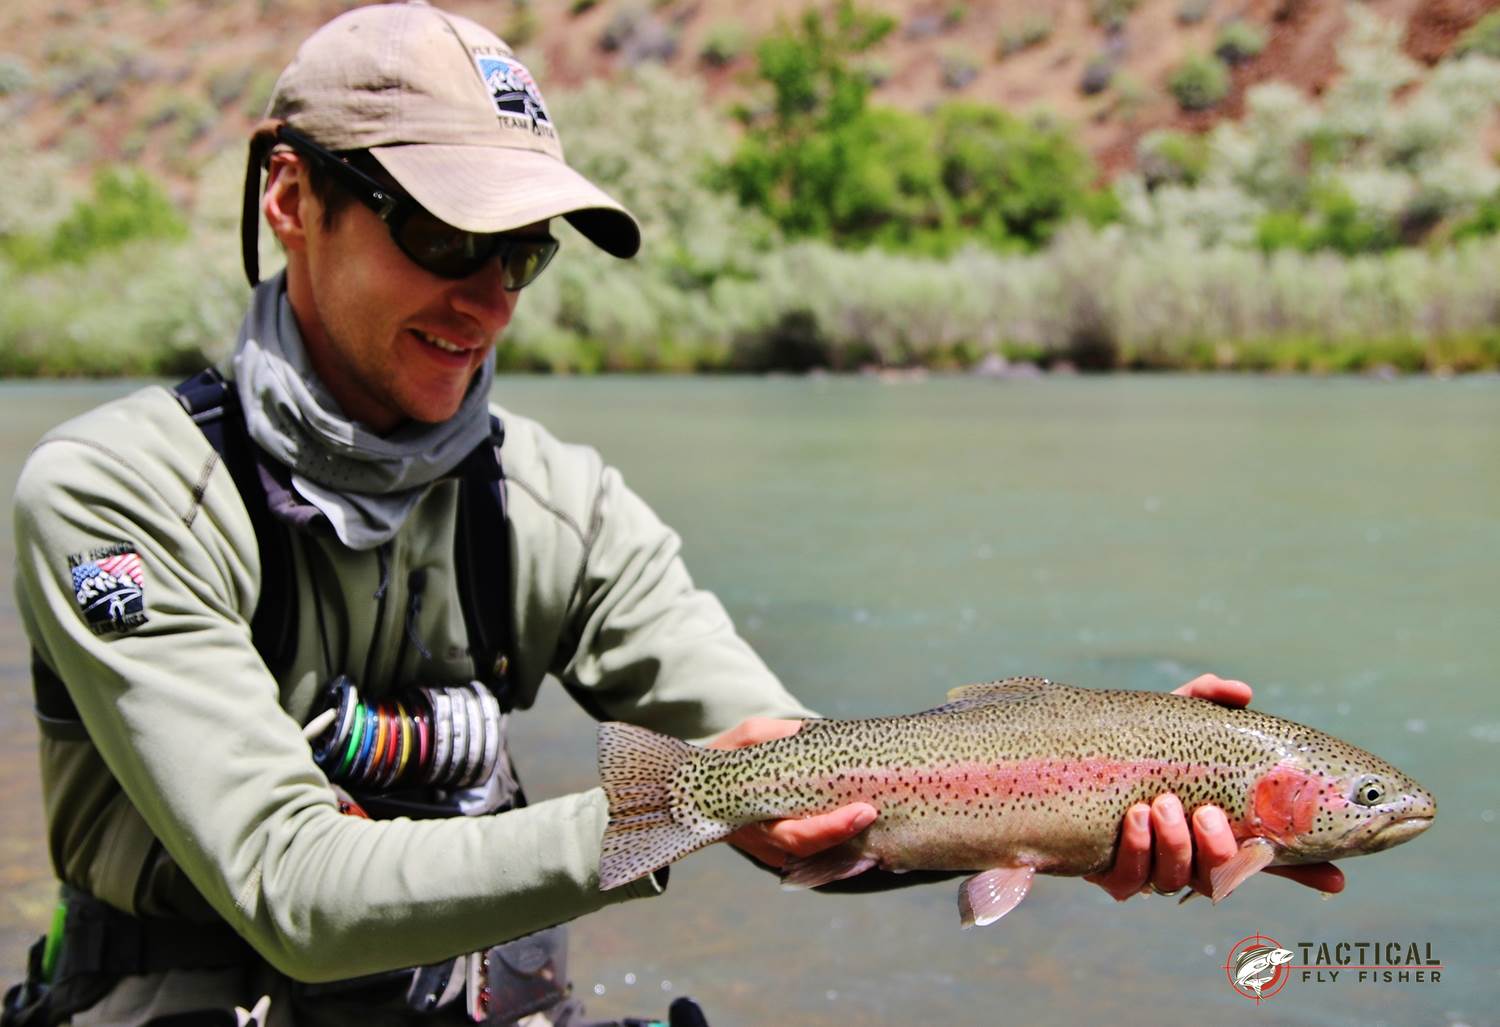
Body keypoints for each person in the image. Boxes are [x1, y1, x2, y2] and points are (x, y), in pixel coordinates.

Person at [5, 3, 1340, 1024]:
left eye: (520, 251)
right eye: (443, 238)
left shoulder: (560, 508)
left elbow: (807, 787)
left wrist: (1075, 811)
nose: (488, 300)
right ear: (291, 197)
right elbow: (294, 895)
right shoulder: (112, 496)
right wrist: (690, 803)